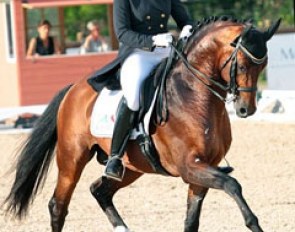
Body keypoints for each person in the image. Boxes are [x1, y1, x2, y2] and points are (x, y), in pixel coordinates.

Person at [103, 0, 193, 181]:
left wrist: (187, 29)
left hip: (165, 50)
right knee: (134, 96)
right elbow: (122, 33)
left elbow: (184, 19)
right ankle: (115, 156)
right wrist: (151, 40)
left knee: (191, 82)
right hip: (138, 52)